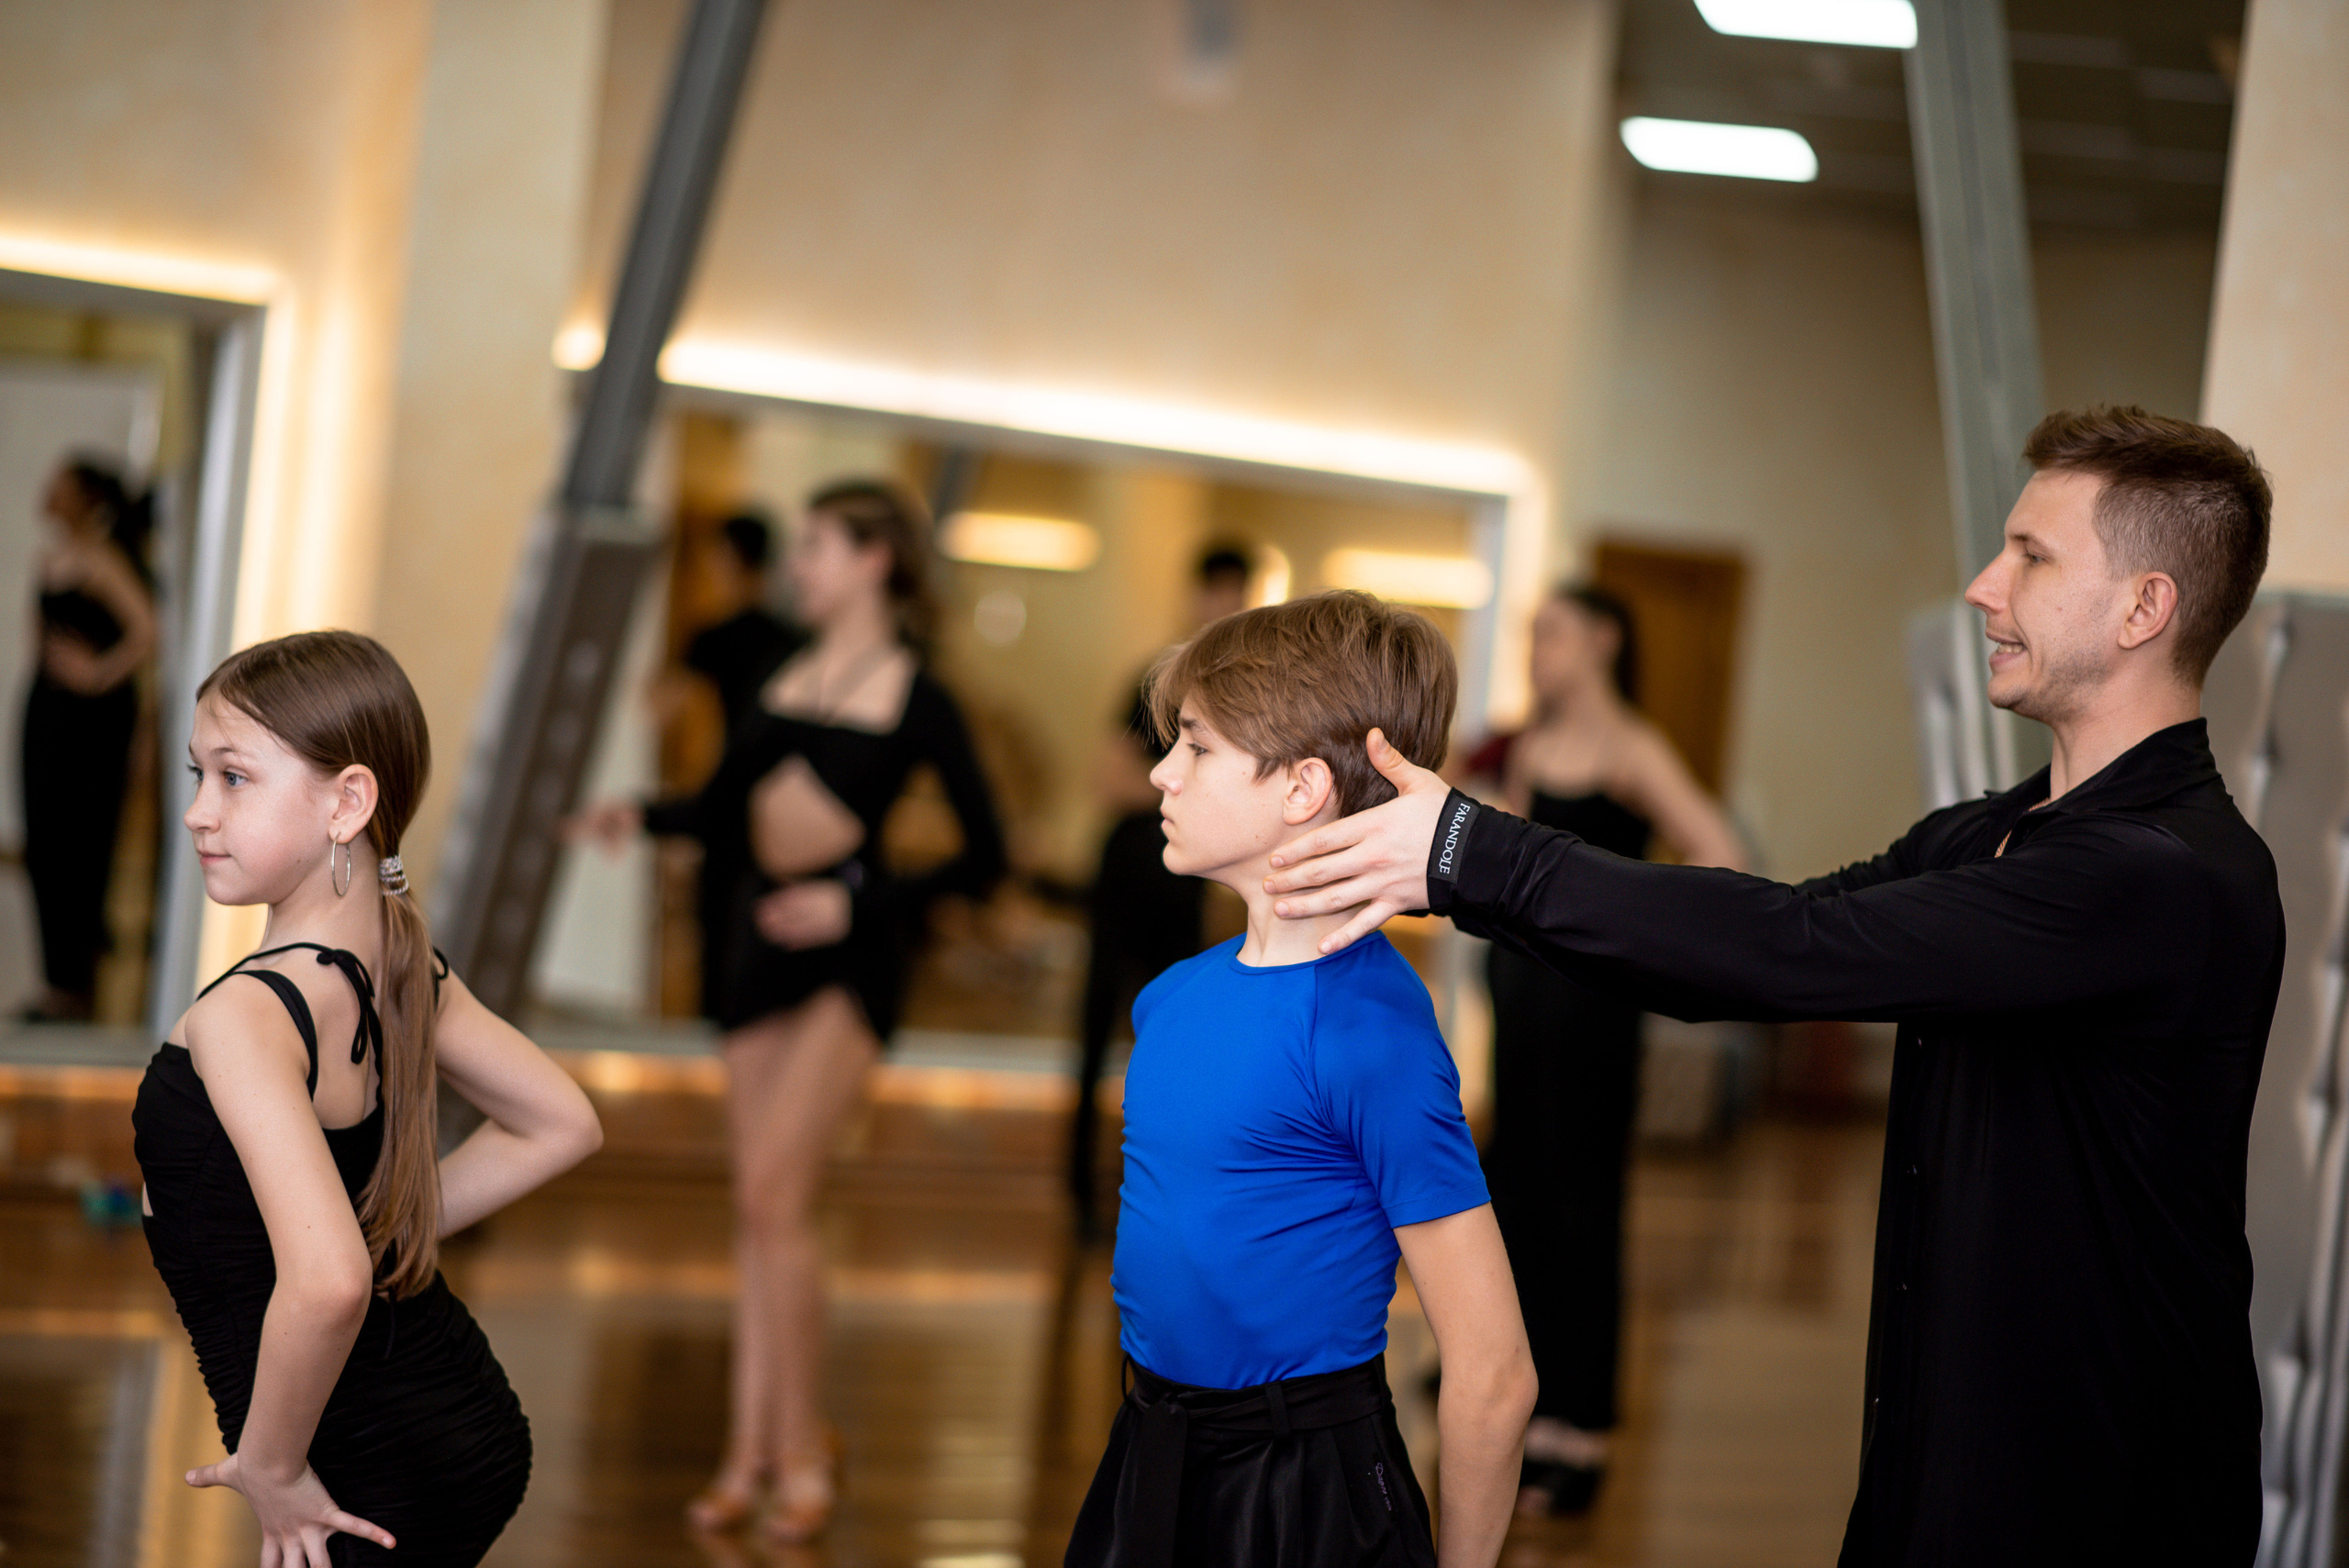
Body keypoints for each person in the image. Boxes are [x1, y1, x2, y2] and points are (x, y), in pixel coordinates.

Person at [1261, 407, 2282, 1567]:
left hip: (2100, 1489)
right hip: (1937, 1447)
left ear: (2145, 607)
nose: (1981, 587)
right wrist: (1459, 869)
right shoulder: (1984, 836)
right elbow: (1744, 949)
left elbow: (1793, 944)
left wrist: (1469, 852)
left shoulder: (2157, 875)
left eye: (2031, 557)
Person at [1066, 591, 1536, 1568]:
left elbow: (1493, 1371)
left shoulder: (1369, 1026)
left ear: (1301, 788)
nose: (1160, 770)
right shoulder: (1169, 998)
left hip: (1301, 1491)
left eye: (1194, 746)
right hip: (1148, 1448)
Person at [584, 479, 1007, 1542]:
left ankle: (797, 1446)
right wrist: (636, 813)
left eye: (817, 545)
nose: (797, 564)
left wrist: (856, 894)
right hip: (754, 953)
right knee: (757, 1209)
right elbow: (726, 811)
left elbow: (985, 855)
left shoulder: (919, 694)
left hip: (852, 958)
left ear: (873, 561)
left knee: (776, 1187)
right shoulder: (784, 676)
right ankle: (752, 1449)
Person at [133, 630, 604, 1566]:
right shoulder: (397, 958)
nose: (195, 811)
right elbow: (563, 1122)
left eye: (233, 778)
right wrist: (376, 1225)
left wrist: (268, 1462)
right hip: (454, 1422)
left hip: (368, 1459)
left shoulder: (246, 1015)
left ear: (348, 800)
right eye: (197, 774)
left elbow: (330, 1280)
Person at [1453, 583, 1744, 1517]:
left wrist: (1625, 921)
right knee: (1520, 1196)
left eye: (1552, 632)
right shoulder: (1528, 744)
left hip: (1590, 1013)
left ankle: (1577, 1427)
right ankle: (1523, 1402)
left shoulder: (1631, 747)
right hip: (1520, 998)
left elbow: (1720, 852)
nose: (1536, 647)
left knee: (1581, 1207)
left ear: (1604, 640)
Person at [1067, 544, 1251, 1234]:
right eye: (1216, 591)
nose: (1223, 606)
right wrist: (1180, 788)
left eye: (1236, 592)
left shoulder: (1244, 699)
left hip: (1181, 884)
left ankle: (1154, 1188)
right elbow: (1108, 778)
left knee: (1170, 1038)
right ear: (1198, 595)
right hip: (1124, 874)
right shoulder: (1158, 678)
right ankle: (1080, 1193)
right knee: (1096, 1031)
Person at [21, 456, 157, 1019]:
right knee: (42, 838)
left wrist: (97, 674)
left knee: (80, 840)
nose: (47, 490)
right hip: (46, 711)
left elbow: (148, 631)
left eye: (60, 484)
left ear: (86, 500)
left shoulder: (104, 562)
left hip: (92, 724)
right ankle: (57, 981)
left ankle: (79, 983)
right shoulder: (49, 559)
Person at [684, 511, 804, 738]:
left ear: (729, 554)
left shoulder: (713, 639)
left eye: (716, 552)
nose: (709, 564)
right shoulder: (789, 634)